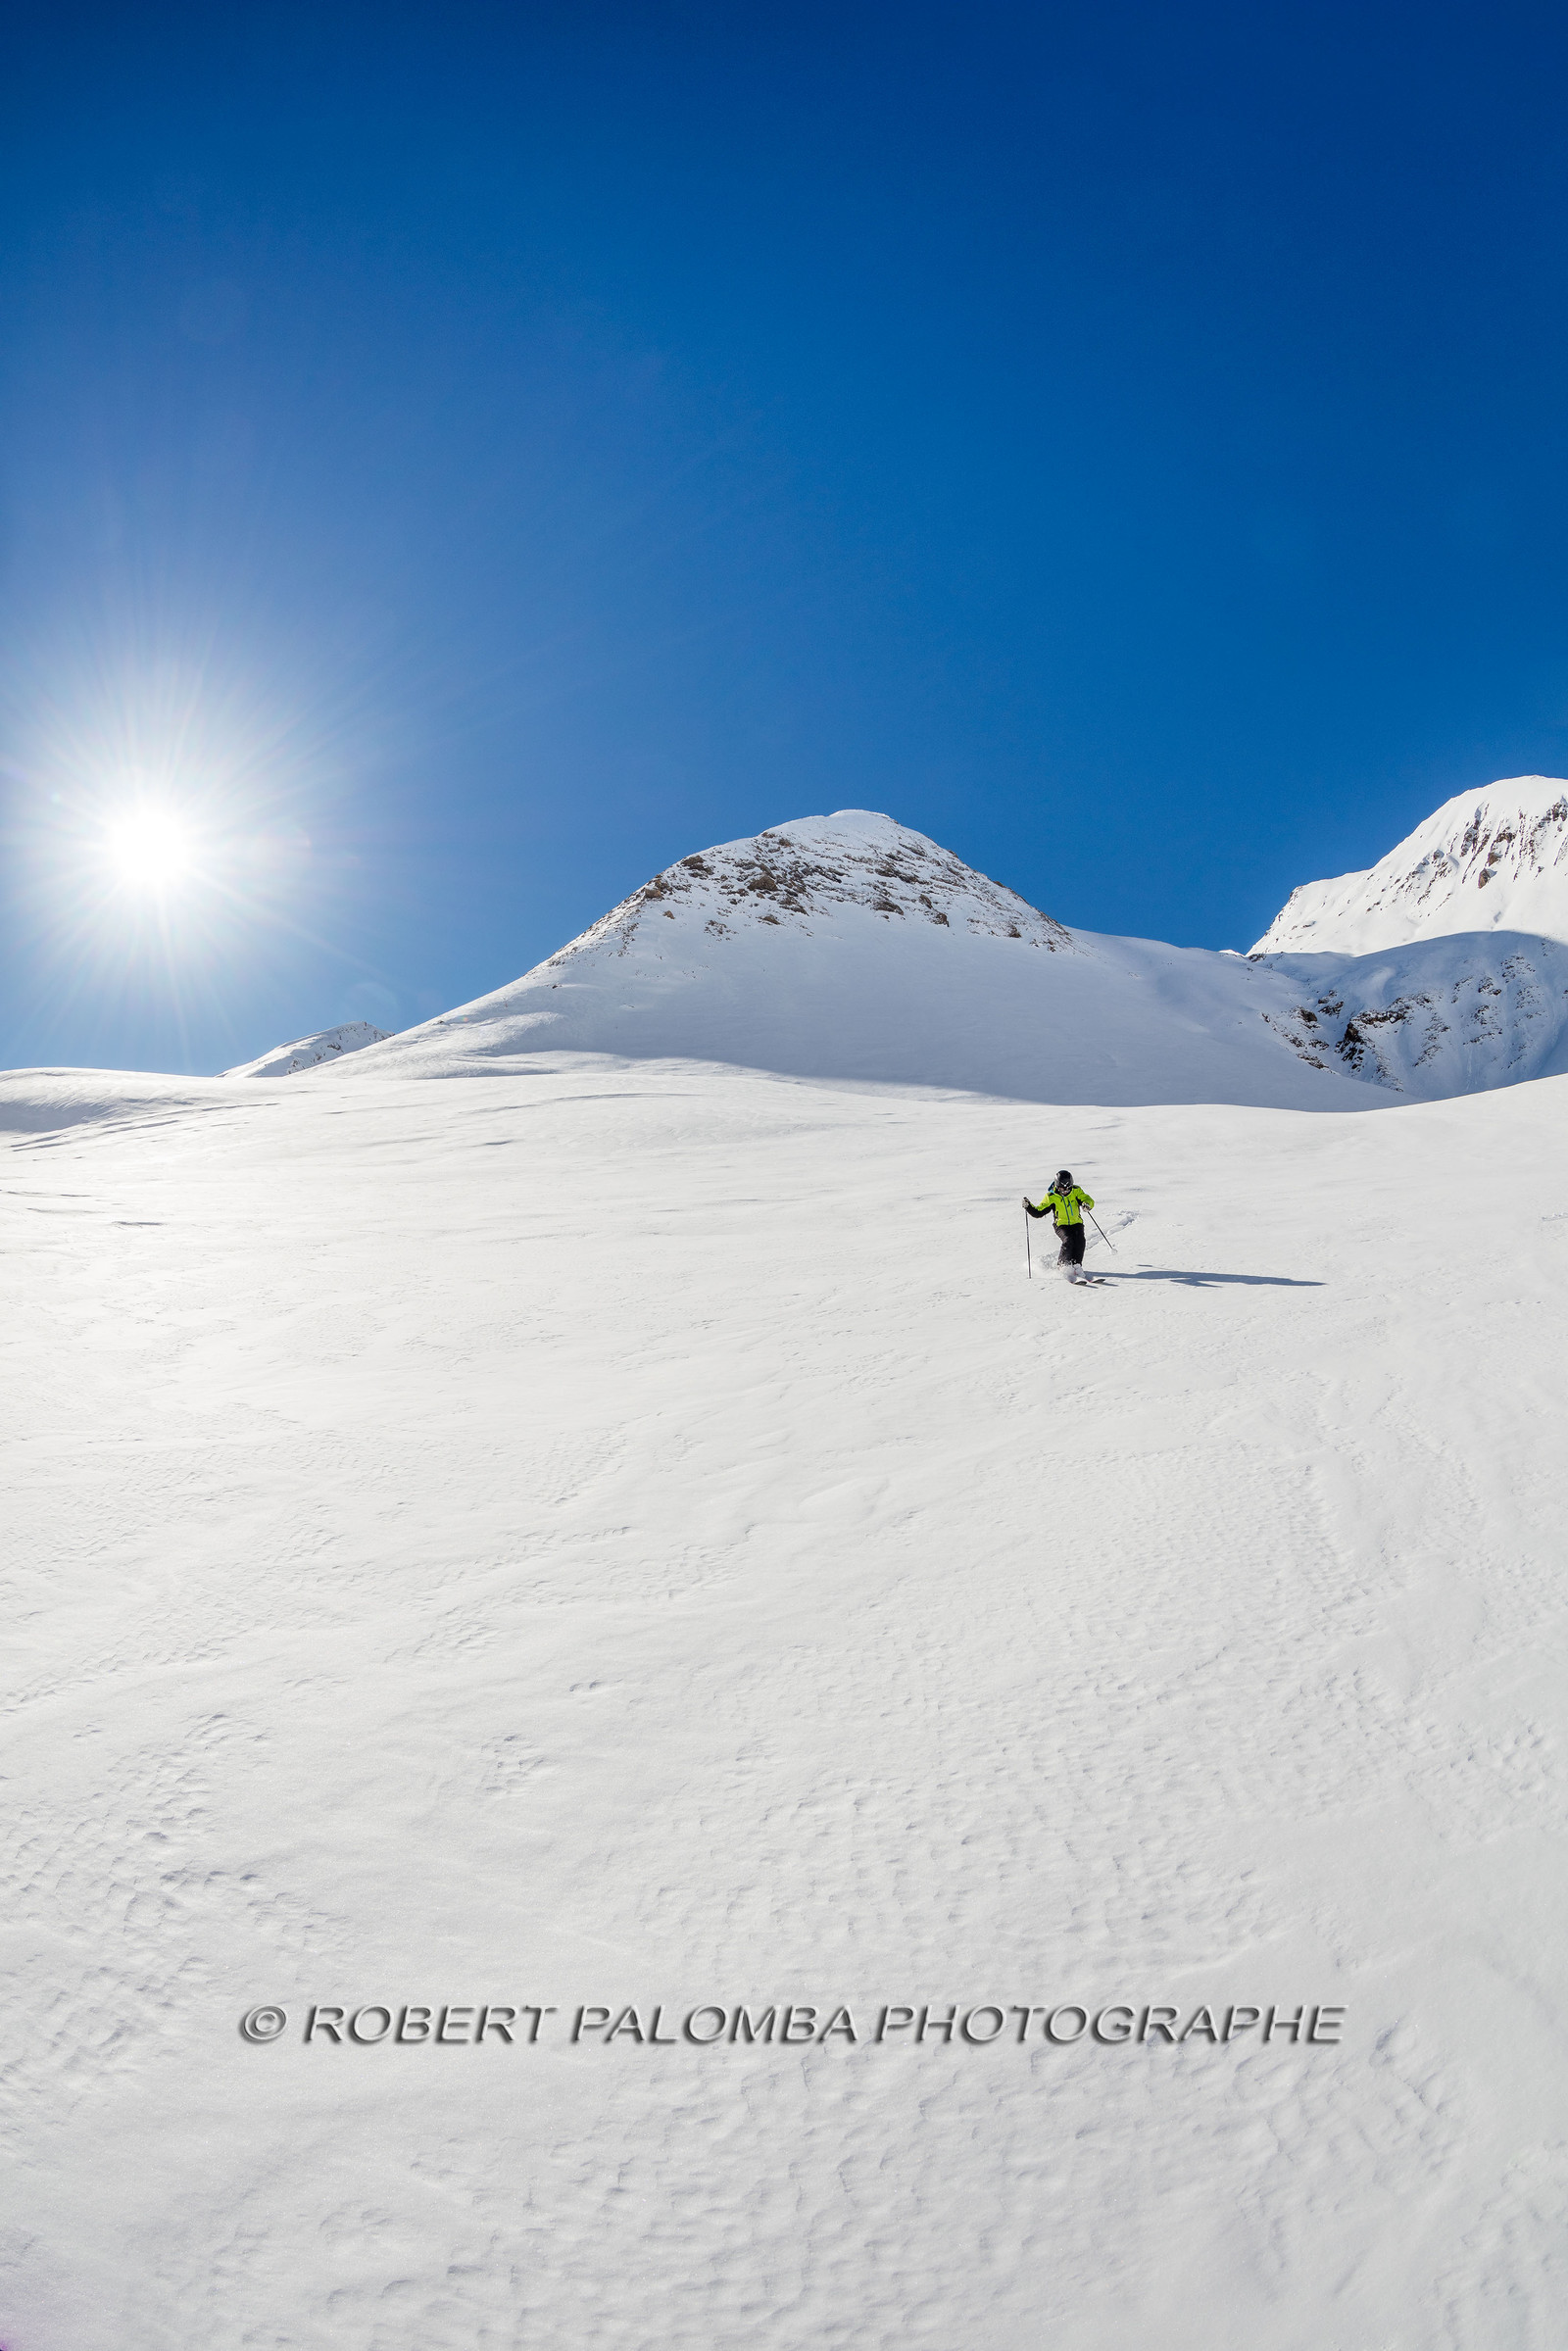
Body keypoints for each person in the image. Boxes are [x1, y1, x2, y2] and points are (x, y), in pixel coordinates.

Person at [1024, 1170, 1096, 1282]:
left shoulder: (1076, 1190)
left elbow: (1087, 1199)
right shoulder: (1051, 1196)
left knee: (1080, 1240)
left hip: (1076, 1222)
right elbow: (1039, 1212)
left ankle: (1076, 1265)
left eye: (1068, 1188)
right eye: (1063, 1189)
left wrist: (1087, 1205)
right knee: (1068, 1240)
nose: (1066, 1191)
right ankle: (1063, 1265)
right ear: (1057, 1186)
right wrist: (1028, 1207)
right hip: (1061, 1225)